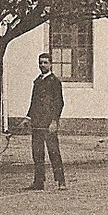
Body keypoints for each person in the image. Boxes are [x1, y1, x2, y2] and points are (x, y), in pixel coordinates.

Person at [24, 52, 67, 190]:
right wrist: (28, 117)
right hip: (37, 124)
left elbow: (59, 103)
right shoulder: (37, 81)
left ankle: (61, 181)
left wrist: (55, 121)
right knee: (37, 153)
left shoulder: (55, 82)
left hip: (49, 124)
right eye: (40, 62)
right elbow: (33, 101)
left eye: (45, 62)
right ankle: (39, 182)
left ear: (50, 64)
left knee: (54, 152)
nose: (42, 65)